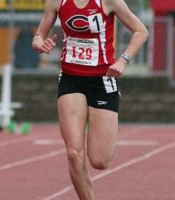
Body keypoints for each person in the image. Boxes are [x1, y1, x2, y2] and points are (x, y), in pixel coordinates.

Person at [32, 0, 148, 199]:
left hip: (103, 81)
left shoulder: (109, 1)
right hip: (71, 79)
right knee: (73, 153)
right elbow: (38, 36)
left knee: (99, 161)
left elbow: (141, 31)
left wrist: (122, 61)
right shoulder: (57, 2)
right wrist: (40, 44)